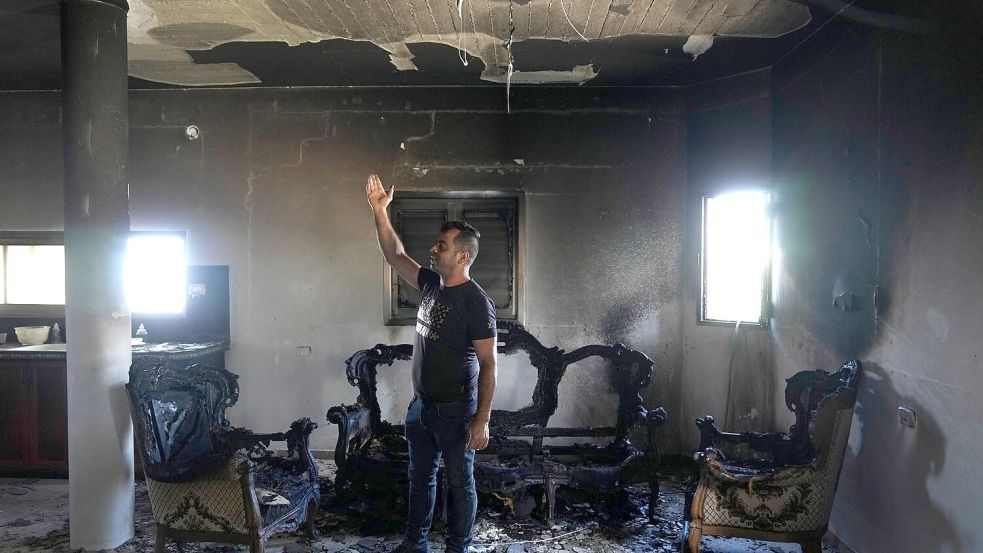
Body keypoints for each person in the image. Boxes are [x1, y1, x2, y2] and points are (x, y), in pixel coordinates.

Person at [365, 174, 498, 553]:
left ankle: (458, 547)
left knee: (460, 483)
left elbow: (489, 363)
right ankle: (415, 543)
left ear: (462, 255)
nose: (434, 249)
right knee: (419, 479)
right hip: (420, 407)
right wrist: (379, 211)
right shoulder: (429, 284)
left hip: (457, 411)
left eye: (442, 245)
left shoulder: (475, 301)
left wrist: (482, 419)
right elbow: (394, 255)